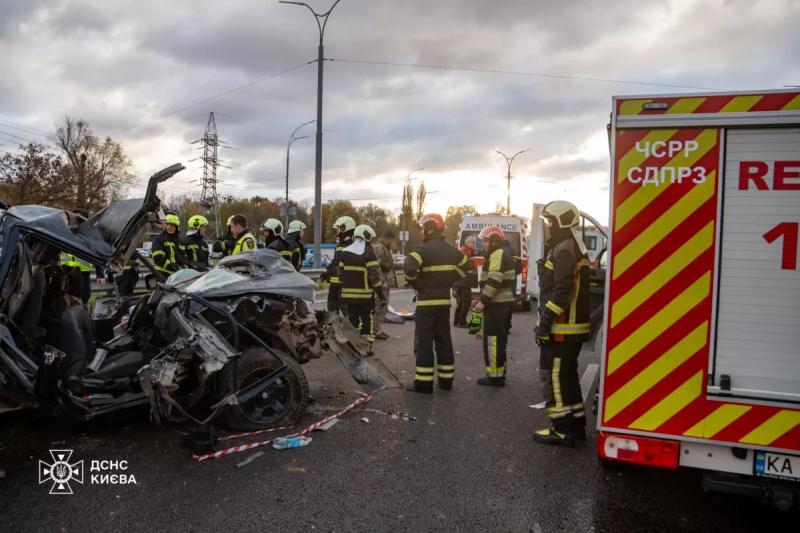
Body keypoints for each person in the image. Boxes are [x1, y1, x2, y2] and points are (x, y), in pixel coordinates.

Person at [532, 200, 591, 447]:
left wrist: (545, 323)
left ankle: (562, 429)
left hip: (562, 327)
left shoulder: (564, 249)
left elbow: (562, 291)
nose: (548, 226)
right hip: (571, 327)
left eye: (550, 221)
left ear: (561, 222)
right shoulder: (572, 245)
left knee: (555, 376)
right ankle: (576, 425)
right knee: (567, 376)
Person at [404, 213, 471, 393]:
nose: (422, 231)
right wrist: (451, 280)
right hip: (444, 303)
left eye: (423, 228)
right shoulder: (452, 250)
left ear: (430, 228)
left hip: (426, 304)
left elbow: (409, 266)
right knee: (444, 341)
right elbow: (468, 269)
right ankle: (446, 382)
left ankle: (424, 383)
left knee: (424, 343)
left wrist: (416, 283)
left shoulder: (423, 249)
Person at [472, 226, 516, 387]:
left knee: (493, 341)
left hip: (496, 305)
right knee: (499, 341)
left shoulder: (497, 254)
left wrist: (483, 301)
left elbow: (495, 280)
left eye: (484, 241)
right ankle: (500, 373)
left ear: (494, 241)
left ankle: (495, 377)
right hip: (501, 305)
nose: (482, 244)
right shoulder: (502, 252)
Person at [339, 224, 385, 355]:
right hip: (365, 296)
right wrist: (381, 295)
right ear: (366, 236)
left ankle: (353, 345)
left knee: (353, 320)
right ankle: (366, 347)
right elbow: (375, 278)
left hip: (348, 296)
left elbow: (340, 274)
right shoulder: (369, 253)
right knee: (367, 321)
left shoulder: (345, 252)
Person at [322, 215, 356, 314]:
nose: (337, 231)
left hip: (343, 285)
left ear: (345, 228)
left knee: (346, 312)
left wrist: (331, 272)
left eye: (339, 228)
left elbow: (341, 266)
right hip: (335, 285)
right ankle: (334, 328)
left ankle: (352, 329)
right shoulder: (342, 245)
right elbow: (335, 262)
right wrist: (328, 271)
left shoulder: (348, 247)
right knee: (333, 312)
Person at [371, 229, 396, 340]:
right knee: (379, 306)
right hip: (381, 284)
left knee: (383, 307)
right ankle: (375, 330)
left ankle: (377, 329)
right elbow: (376, 267)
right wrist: (381, 283)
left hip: (385, 283)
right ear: (388, 239)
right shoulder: (379, 248)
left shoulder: (384, 248)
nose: (393, 243)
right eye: (392, 240)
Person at [452, 235, 477, 328]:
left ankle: (456, 321)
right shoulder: (465, 251)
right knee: (466, 302)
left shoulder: (464, 250)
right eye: (473, 242)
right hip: (463, 281)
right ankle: (461, 322)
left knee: (461, 303)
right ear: (468, 243)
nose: (474, 244)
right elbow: (464, 264)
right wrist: (471, 260)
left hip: (460, 280)